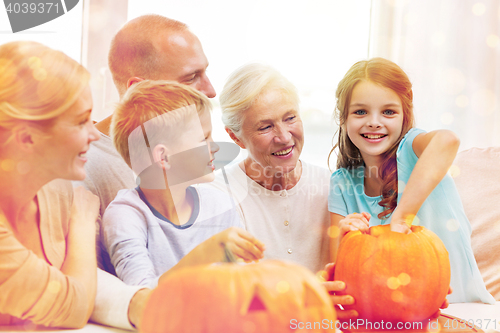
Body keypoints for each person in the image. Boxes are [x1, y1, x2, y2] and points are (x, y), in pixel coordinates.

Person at [71, 14, 218, 329]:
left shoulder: (193, 169)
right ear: (139, 90)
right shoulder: (81, 170)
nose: (211, 90)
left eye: (206, 72)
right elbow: (87, 287)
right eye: (192, 77)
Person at [328, 57, 495, 304]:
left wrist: (402, 217)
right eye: (360, 111)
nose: (374, 121)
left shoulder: (413, 150)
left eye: (388, 112)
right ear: (343, 118)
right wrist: (346, 237)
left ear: (404, 116)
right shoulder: (341, 182)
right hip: (392, 318)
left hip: (462, 308)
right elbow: (338, 280)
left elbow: (448, 140)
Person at [102, 80, 265, 287]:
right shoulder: (126, 216)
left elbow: (247, 283)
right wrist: (205, 253)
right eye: (203, 138)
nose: (214, 147)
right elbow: (142, 296)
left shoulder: (220, 205)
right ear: (164, 157)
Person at [0, 41, 100, 328]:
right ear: (26, 138)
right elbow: (74, 307)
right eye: (82, 122)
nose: (94, 134)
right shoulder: (76, 210)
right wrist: (82, 224)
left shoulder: (55, 191)